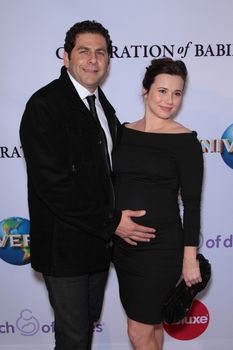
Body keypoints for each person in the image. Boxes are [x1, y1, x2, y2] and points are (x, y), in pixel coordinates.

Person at [19, 20, 155, 350]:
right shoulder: (44, 106)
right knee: (74, 339)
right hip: (64, 251)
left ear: (108, 61)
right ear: (66, 57)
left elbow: (114, 170)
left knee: (82, 335)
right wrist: (113, 222)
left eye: (101, 52)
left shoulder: (101, 105)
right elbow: (53, 186)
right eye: (84, 51)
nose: (93, 59)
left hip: (98, 247)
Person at [112, 57, 204, 350]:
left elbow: (191, 203)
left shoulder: (186, 141)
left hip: (161, 249)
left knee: (137, 331)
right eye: (163, 91)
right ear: (145, 89)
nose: (170, 100)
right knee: (150, 325)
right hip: (123, 246)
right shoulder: (121, 132)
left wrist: (189, 258)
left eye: (177, 93)